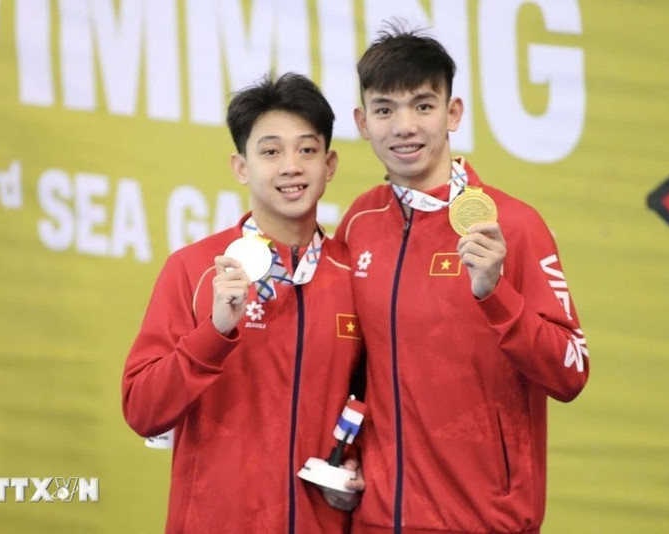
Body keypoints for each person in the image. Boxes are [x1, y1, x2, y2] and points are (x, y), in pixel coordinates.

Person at [335, 23, 590, 533]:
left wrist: (496, 296)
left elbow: (571, 372)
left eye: (423, 106)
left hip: (484, 520)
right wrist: (344, 453)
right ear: (363, 122)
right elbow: (350, 366)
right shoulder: (358, 223)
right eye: (385, 110)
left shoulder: (513, 225)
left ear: (453, 113)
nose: (404, 126)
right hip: (377, 520)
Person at [122, 72, 363, 533]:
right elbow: (142, 410)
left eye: (306, 150)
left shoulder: (354, 276)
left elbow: (378, 406)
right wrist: (213, 334)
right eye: (270, 151)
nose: (291, 166)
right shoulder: (194, 270)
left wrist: (356, 461)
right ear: (241, 166)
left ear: (329, 165)